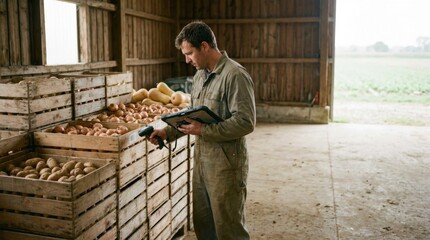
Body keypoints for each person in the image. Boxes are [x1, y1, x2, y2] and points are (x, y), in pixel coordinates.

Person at [148, 20, 256, 240]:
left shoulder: (235, 75)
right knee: (204, 225)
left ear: (205, 46)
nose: (187, 60)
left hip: (226, 165)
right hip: (202, 162)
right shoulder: (199, 76)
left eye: (189, 53)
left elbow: (246, 122)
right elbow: (192, 115)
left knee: (229, 229)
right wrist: (167, 133)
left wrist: (204, 130)